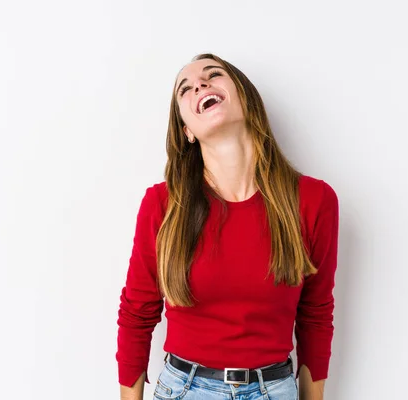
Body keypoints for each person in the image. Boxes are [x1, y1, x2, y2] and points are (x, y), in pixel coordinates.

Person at [116, 53, 339, 400]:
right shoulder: (163, 205)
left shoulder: (313, 201)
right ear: (186, 130)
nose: (199, 85)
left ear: (246, 99)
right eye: (185, 89)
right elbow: (136, 314)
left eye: (213, 75)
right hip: (184, 389)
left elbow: (315, 314)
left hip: (275, 389)